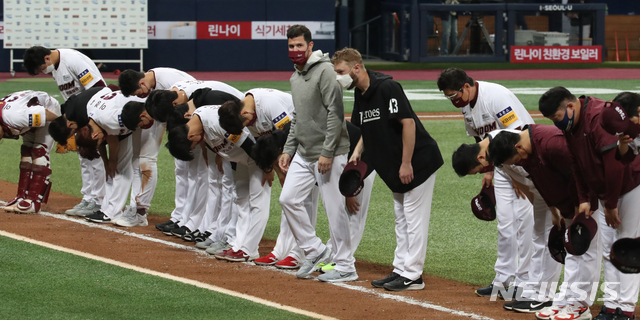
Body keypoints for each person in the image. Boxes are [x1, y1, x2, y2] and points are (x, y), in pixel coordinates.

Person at [332, 48, 443, 291]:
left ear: (356, 68)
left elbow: (408, 124)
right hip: (395, 166)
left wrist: (406, 162)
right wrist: (358, 151)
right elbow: (366, 128)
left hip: (418, 162)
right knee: (401, 217)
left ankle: (414, 275)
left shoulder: (387, 88)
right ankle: (401, 268)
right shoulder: (361, 93)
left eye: (340, 72)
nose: (337, 77)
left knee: (414, 218)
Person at [538, 87, 640, 320]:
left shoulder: (599, 118)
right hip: (608, 193)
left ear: (570, 107)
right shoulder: (571, 125)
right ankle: (612, 307)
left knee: (626, 246)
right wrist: (584, 198)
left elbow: (615, 164)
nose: (556, 124)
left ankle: (626, 309)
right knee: (608, 251)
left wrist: (611, 203)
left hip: (631, 184)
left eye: (556, 118)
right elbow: (577, 163)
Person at [437, 67, 535, 298]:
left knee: (525, 223)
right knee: (505, 225)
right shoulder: (466, 105)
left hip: (522, 163)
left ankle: (524, 281)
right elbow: (480, 139)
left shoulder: (495, 97)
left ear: (467, 87)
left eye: (454, 95)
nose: (453, 100)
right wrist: (489, 171)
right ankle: (502, 280)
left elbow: (516, 136)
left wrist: (516, 176)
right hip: (501, 166)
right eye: (448, 97)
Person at [488, 126, 603, 319]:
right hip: (570, 201)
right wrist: (554, 209)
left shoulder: (552, 144)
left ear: (518, 148)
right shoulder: (528, 151)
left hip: (590, 195)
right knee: (572, 249)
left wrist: (583, 202)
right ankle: (566, 300)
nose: (519, 164)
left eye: (515, 161)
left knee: (587, 249)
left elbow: (581, 170)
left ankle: (581, 306)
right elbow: (541, 181)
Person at [277, 25, 356, 282]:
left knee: (335, 210)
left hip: (329, 153)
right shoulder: (295, 77)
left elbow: (335, 113)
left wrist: (327, 152)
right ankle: (315, 250)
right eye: (291, 46)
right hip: (304, 152)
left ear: (310, 46)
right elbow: (297, 117)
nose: (295, 50)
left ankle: (346, 265)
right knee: (288, 199)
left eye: (300, 45)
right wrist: (289, 149)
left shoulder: (324, 72)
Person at [166, 105, 269, 263]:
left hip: (257, 155)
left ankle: (249, 249)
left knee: (257, 201)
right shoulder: (197, 124)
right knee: (240, 200)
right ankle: (237, 245)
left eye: (192, 146)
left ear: (190, 136)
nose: (196, 147)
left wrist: (267, 167)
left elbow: (249, 145)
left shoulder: (216, 123)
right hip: (242, 160)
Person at [145, 80, 243, 240]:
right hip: (220, 136)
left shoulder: (210, 104)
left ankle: (218, 230)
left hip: (236, 135)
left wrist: (220, 154)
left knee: (224, 182)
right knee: (211, 179)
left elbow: (228, 130)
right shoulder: (193, 105)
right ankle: (199, 224)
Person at [23, 46, 107, 218]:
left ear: (46, 59)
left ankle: (99, 201)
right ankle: (88, 197)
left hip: (92, 115)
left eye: (41, 68)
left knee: (94, 157)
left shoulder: (73, 60)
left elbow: (98, 88)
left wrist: (89, 123)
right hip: (78, 117)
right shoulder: (55, 67)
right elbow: (70, 97)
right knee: (84, 157)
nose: (43, 71)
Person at [118, 68, 195, 228]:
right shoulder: (151, 83)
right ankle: (174, 216)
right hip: (164, 117)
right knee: (141, 160)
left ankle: (186, 218)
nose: (139, 96)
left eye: (138, 93)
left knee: (186, 169)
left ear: (141, 83)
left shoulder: (169, 81)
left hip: (188, 119)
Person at [80, 88, 148, 226]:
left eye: (99, 141)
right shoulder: (91, 113)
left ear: (94, 135)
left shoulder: (109, 121)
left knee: (129, 165)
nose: (101, 142)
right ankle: (108, 208)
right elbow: (106, 89)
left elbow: (113, 141)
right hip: (132, 112)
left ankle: (117, 211)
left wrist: (111, 162)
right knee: (119, 167)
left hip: (147, 113)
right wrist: (106, 162)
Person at [1, 91, 61, 213]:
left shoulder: (15, 118)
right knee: (26, 151)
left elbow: (46, 113)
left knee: (39, 152)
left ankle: (33, 201)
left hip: (48, 108)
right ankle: (21, 197)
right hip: (28, 110)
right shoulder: (14, 119)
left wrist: (64, 128)